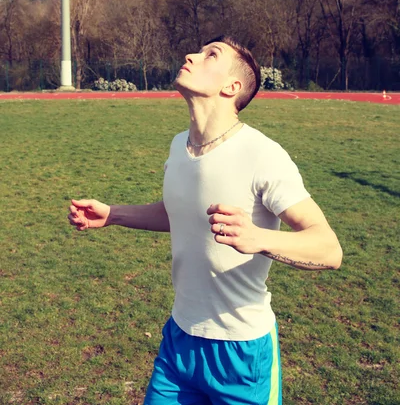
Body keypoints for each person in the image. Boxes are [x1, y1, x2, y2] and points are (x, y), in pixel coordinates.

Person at [68, 35, 343, 405]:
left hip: (240, 352)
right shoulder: (179, 145)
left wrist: (259, 238)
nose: (191, 56)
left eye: (210, 54)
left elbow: (328, 249)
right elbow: (175, 213)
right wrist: (113, 214)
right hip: (179, 341)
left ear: (232, 87)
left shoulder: (263, 154)